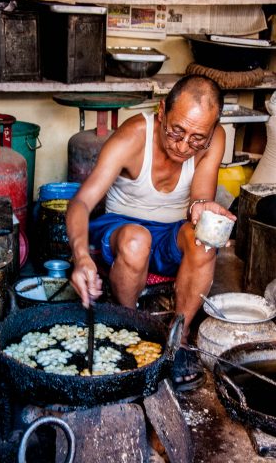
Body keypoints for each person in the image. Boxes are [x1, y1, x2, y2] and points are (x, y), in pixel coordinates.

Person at [66, 74, 236, 391]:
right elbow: (80, 203)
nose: (184, 146)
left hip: (171, 233)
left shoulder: (213, 140)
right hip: (121, 228)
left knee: (206, 241)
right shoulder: (133, 137)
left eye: (197, 138)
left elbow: (200, 194)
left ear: (211, 132)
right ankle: (130, 328)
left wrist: (203, 209)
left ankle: (178, 338)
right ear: (161, 112)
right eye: (177, 132)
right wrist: (80, 257)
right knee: (136, 240)